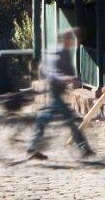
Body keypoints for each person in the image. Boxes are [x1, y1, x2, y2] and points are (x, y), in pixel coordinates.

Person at [29, 29, 94, 160]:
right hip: (54, 90)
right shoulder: (56, 52)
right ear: (65, 40)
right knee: (61, 119)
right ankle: (83, 148)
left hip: (59, 91)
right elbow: (53, 74)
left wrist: (74, 79)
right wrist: (68, 79)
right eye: (71, 39)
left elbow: (68, 69)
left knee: (65, 120)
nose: (73, 42)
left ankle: (34, 147)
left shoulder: (65, 52)